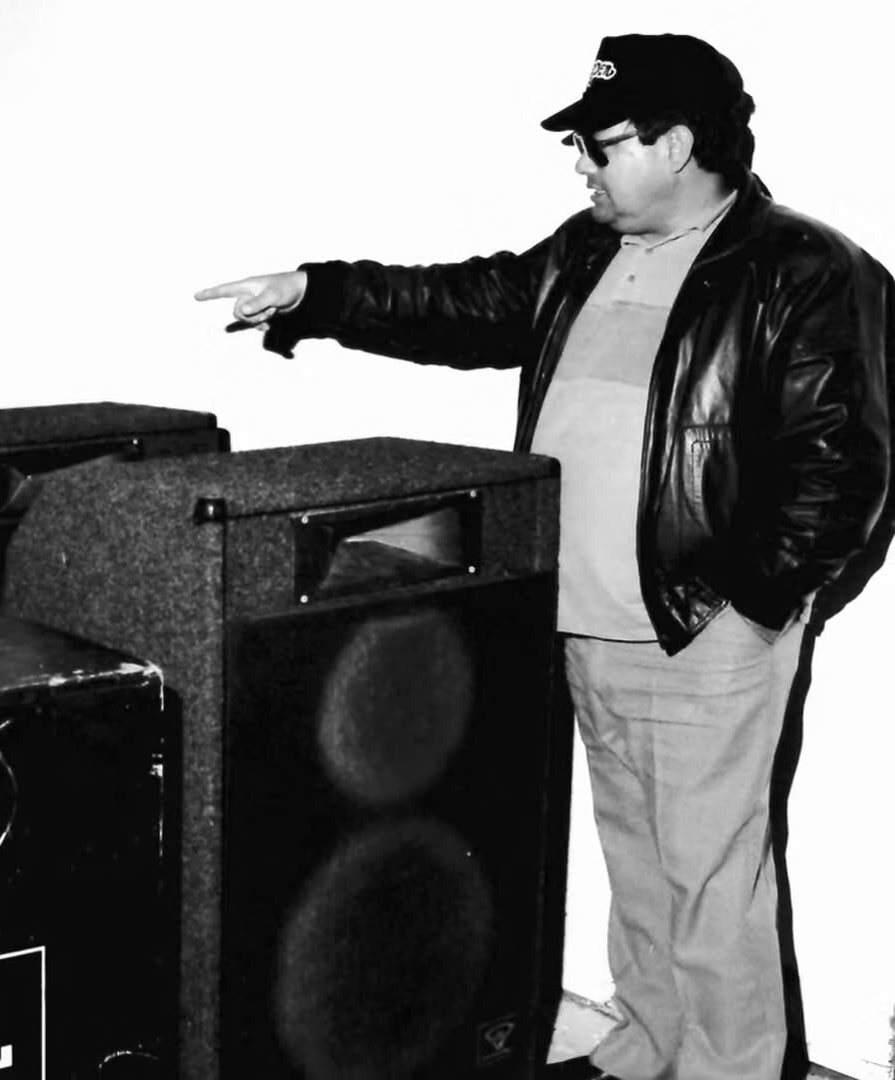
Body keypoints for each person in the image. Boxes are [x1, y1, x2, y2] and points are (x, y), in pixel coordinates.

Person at [195, 33, 890, 1080]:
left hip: (701, 635)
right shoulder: (586, 251)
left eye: (599, 145)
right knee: (640, 864)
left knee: (712, 883)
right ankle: (648, 1046)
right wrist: (318, 292)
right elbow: (464, 303)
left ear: (675, 145)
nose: (581, 165)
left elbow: (844, 466)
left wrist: (752, 604)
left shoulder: (803, 271)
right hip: (586, 625)